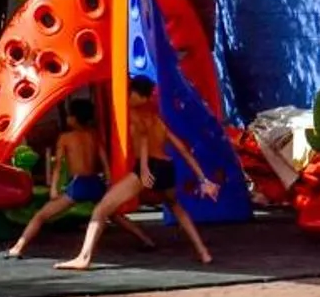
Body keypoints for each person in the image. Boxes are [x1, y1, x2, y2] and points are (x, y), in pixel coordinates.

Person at [58, 79, 219, 270]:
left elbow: (142, 139)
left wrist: (143, 167)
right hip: (167, 167)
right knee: (176, 207)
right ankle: (203, 252)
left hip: (149, 166)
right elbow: (182, 150)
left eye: (132, 94)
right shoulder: (156, 119)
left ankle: (84, 258)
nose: (129, 97)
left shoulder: (132, 114)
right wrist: (202, 178)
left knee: (101, 210)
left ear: (140, 96)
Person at [3, 97, 152, 259]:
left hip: (79, 184)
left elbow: (58, 165)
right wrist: (108, 181)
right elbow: (103, 159)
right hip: (95, 182)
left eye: (69, 116)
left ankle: (18, 247)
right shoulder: (94, 135)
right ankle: (145, 239)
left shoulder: (65, 138)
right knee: (113, 214)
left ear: (74, 118)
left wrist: (54, 188)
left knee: (41, 216)